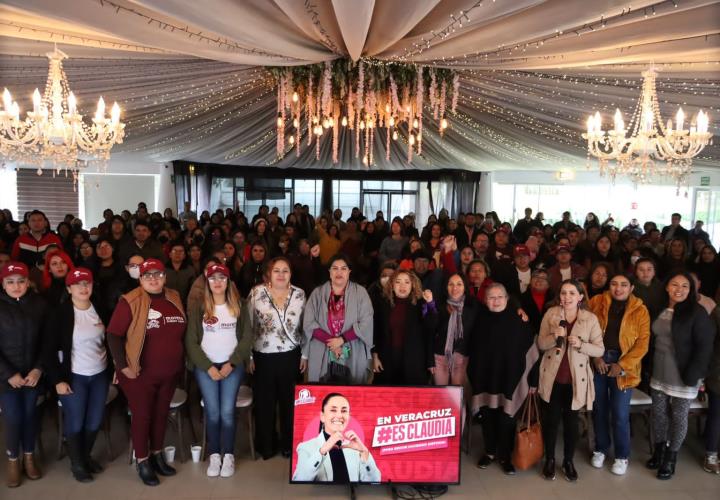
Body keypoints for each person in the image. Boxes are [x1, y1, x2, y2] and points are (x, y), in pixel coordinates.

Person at [106, 258, 187, 486]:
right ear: (140, 278)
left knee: (161, 414)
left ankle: (157, 455)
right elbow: (113, 335)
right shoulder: (130, 301)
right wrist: (123, 367)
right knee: (142, 417)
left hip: (169, 372)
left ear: (165, 277)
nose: (153, 279)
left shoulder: (174, 296)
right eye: (147, 275)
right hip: (139, 374)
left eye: (157, 274)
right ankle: (143, 461)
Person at [645, 271, 715, 480]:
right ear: (667, 287)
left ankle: (671, 458)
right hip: (658, 370)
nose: (679, 289)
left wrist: (695, 376)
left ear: (691, 290)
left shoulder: (697, 312)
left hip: (684, 374)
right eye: (674, 284)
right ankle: (659, 450)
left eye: (685, 286)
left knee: (678, 417)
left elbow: (705, 348)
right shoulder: (659, 309)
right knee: (658, 414)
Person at [44, 268, 111, 482]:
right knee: (76, 422)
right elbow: (48, 350)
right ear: (69, 288)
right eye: (78, 284)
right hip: (74, 377)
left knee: (94, 421)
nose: (83, 288)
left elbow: (110, 341)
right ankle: (77, 463)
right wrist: (58, 380)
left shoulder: (100, 309)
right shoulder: (60, 313)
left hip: (99, 374)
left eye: (87, 283)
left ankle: (84, 455)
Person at [185, 263, 251, 478]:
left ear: (228, 281)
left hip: (232, 366)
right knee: (212, 413)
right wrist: (208, 367)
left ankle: (228, 455)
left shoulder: (239, 305)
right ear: (207, 282)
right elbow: (191, 342)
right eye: (213, 278)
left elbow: (246, 338)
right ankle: (215, 455)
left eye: (222, 278)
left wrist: (231, 364)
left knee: (227, 413)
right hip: (207, 368)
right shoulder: (199, 308)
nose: (217, 282)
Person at [537, 279, 605, 482]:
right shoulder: (551, 314)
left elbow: (599, 349)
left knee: (571, 423)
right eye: (564, 293)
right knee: (551, 421)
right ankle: (549, 459)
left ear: (580, 297)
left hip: (576, 380)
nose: (567, 297)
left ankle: (568, 461)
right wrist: (553, 337)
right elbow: (541, 343)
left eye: (572, 293)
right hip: (553, 377)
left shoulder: (590, 319)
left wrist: (581, 344)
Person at [470, 283, 539, 474]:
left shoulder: (520, 322)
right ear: (485, 301)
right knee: (488, 417)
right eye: (491, 297)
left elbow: (532, 352)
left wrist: (533, 381)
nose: (496, 301)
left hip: (511, 379)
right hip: (485, 379)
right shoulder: (479, 320)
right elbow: (472, 351)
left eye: (500, 297)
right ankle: (490, 452)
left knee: (507, 419)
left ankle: (505, 455)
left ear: (507, 300)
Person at [588, 274, 650, 475]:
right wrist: (595, 356)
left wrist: (622, 365)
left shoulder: (640, 310)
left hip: (625, 364)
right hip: (599, 359)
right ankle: (600, 448)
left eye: (624, 285)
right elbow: (585, 330)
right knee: (599, 408)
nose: (618, 288)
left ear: (632, 288)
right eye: (614, 284)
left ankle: (622, 455)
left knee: (620, 413)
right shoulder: (597, 302)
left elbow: (642, 344)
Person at [245, 257, 306, 459]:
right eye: (276, 270)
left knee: (289, 402)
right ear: (269, 273)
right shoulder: (256, 293)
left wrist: (304, 354)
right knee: (265, 403)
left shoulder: (299, 294)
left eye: (285, 270)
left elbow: (305, 327)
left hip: (291, 355)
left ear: (291, 274)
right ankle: (266, 444)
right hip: (263, 356)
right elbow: (248, 327)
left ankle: (289, 443)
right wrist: (249, 356)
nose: (281, 274)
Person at [0, 262, 48, 488]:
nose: (16, 286)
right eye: (10, 282)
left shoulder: (39, 304)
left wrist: (38, 368)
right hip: (6, 378)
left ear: (28, 282)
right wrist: (9, 374)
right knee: (12, 417)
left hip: (32, 376)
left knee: (30, 416)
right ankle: (13, 459)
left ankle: (29, 456)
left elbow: (47, 341)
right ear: (3, 284)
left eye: (21, 281)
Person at [303, 254, 374, 385]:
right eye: (335, 268)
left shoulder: (361, 293)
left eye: (343, 268)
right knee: (322, 391)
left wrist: (342, 339)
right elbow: (308, 323)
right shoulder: (317, 293)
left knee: (352, 391)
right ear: (329, 272)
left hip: (352, 348)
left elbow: (366, 322)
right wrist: (332, 343)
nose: (339, 272)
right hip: (323, 348)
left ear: (349, 272)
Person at [292, 392, 381, 483]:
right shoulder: (305, 447)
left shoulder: (355, 448)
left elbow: (374, 482)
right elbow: (298, 480)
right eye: (333, 410)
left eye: (344, 411)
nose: (339, 415)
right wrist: (321, 451)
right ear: (322, 416)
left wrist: (364, 452)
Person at [372, 269, 433, 385]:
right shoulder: (383, 303)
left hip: (413, 360)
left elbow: (431, 325)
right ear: (392, 285)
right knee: (386, 396)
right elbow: (376, 331)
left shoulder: (420, 303)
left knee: (410, 398)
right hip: (387, 358)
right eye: (398, 282)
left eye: (407, 282)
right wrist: (375, 356)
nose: (402, 286)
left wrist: (430, 303)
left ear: (413, 285)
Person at [427, 273, 478, 386]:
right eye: (451, 284)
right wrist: (430, 361)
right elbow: (430, 331)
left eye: (459, 284)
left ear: (465, 287)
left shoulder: (473, 305)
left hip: (462, 358)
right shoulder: (438, 305)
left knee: (459, 396)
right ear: (446, 287)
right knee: (441, 396)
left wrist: (517, 308)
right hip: (440, 357)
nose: (455, 288)